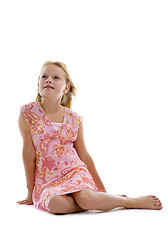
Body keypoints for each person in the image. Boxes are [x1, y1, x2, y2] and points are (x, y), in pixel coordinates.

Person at [17, 61, 163, 214]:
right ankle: (99, 201)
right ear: (38, 84)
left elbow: (84, 156)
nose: (48, 80)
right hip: (47, 179)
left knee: (86, 198)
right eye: (44, 77)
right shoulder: (28, 113)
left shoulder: (74, 119)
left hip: (74, 171)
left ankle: (127, 201)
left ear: (66, 88)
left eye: (55, 78)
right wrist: (30, 190)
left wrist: (102, 188)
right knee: (57, 205)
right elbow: (28, 152)